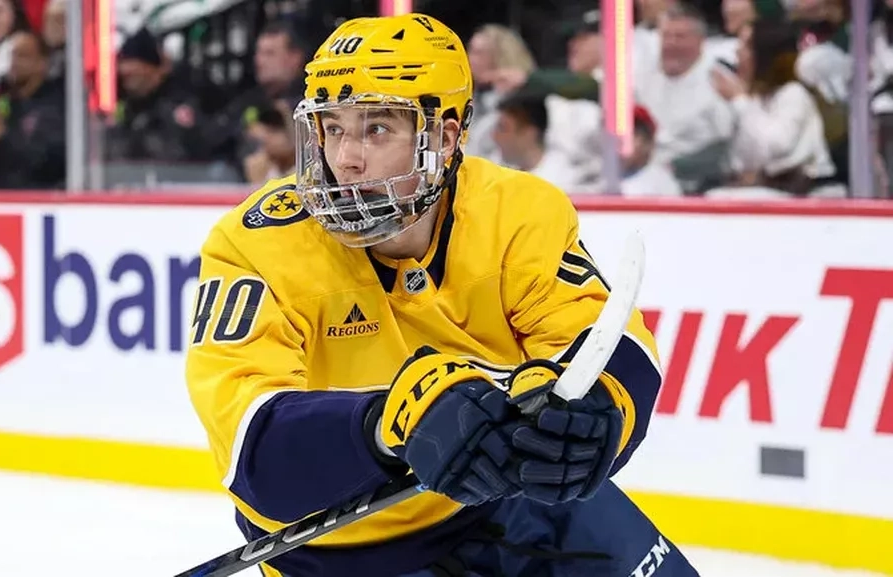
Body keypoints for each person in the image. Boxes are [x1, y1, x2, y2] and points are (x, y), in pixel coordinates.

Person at [184, 13, 700, 577]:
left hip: (504, 502)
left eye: (377, 129)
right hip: (339, 552)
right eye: (332, 128)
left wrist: (597, 412)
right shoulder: (253, 244)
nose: (346, 158)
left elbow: (605, 339)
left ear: (444, 137)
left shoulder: (517, 212)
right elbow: (250, 446)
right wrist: (385, 425)